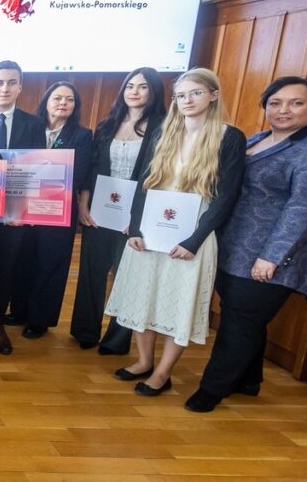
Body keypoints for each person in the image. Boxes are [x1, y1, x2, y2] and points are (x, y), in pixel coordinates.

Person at [186, 77, 307, 412]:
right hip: (234, 248)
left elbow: (305, 208)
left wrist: (271, 256)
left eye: (296, 103)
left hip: (270, 255)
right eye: (275, 103)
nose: (283, 110)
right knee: (243, 316)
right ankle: (248, 380)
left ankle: (211, 390)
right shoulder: (258, 139)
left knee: (239, 320)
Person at [104, 68, 245, 396]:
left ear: (212, 95)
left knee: (178, 302)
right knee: (145, 296)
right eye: (181, 95)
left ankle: (163, 373)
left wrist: (194, 241)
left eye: (195, 93)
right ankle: (143, 361)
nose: (187, 101)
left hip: (194, 234)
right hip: (151, 229)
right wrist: (135, 229)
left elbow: (227, 196)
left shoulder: (229, 137)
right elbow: (143, 183)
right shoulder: (162, 133)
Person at [71, 68, 166, 354]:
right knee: (91, 272)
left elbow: (161, 175)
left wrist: (138, 219)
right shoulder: (107, 125)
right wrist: (83, 205)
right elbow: (92, 169)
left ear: (154, 92)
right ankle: (85, 331)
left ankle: (116, 340)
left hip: (136, 215)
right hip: (101, 209)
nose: (134, 92)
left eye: (143, 87)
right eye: (130, 86)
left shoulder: (163, 126)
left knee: (127, 276)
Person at [9, 81, 92, 339]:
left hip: (58, 208)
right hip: (26, 207)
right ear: (46, 101)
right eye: (57, 98)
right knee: (23, 260)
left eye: (69, 100)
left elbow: (79, 174)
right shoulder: (30, 128)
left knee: (50, 262)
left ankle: (39, 318)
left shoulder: (82, 135)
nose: (62, 103)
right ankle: (19, 309)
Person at [0, 60, 46, 355]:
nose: (5, 88)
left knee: (5, 271)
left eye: (11, 82)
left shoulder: (33, 124)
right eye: (0, 82)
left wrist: (23, 212)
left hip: (12, 215)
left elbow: (35, 171)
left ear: (20, 87)